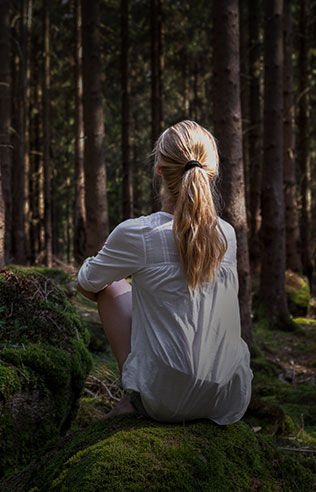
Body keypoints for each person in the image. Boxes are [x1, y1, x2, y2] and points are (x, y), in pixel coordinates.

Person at [77, 120, 253, 424]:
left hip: (163, 400)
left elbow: (86, 282)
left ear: (159, 168)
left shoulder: (138, 233)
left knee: (111, 286)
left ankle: (131, 396)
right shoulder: (226, 234)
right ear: (211, 171)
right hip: (227, 398)